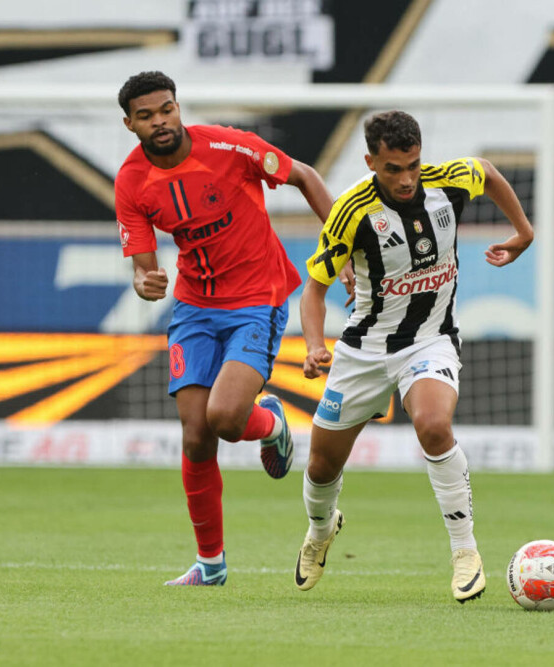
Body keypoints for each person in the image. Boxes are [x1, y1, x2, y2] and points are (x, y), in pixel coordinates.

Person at [295, 110, 534, 602]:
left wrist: (523, 231)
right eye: (392, 169)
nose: (406, 179)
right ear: (370, 162)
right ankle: (321, 530)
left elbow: (487, 171)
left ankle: (465, 552)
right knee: (321, 466)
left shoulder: (447, 183)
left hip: (430, 340)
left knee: (433, 425)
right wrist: (316, 344)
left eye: (413, 165)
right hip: (363, 351)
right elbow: (314, 291)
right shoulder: (351, 212)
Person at [114, 71, 333, 585]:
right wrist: (146, 282)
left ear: (177, 106)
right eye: (146, 116)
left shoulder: (231, 147)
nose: (160, 121)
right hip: (194, 306)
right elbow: (144, 269)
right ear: (130, 124)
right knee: (195, 437)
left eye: (166, 109)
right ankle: (210, 566)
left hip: (258, 298)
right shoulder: (131, 181)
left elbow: (304, 176)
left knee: (227, 418)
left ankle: (272, 423)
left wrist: (338, 244)